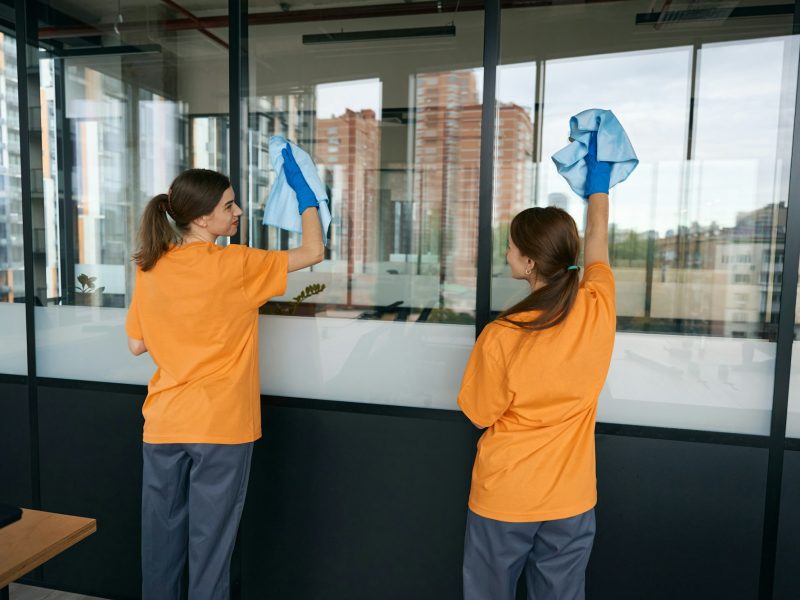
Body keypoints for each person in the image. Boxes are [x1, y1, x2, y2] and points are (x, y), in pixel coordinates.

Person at [125, 146, 323, 600]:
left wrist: (182, 325)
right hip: (221, 427)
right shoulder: (236, 265)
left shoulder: (149, 266)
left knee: (160, 544)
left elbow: (137, 344)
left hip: (164, 424)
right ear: (199, 219)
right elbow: (313, 250)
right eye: (228, 206)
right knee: (210, 548)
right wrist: (306, 195)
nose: (236, 213)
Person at [459, 133, 615, 600]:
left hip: (506, 495)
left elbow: (480, 413)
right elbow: (600, 239)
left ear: (528, 263)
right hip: (571, 498)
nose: (506, 253)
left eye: (510, 247)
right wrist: (600, 182)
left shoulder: (503, 335)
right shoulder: (598, 305)